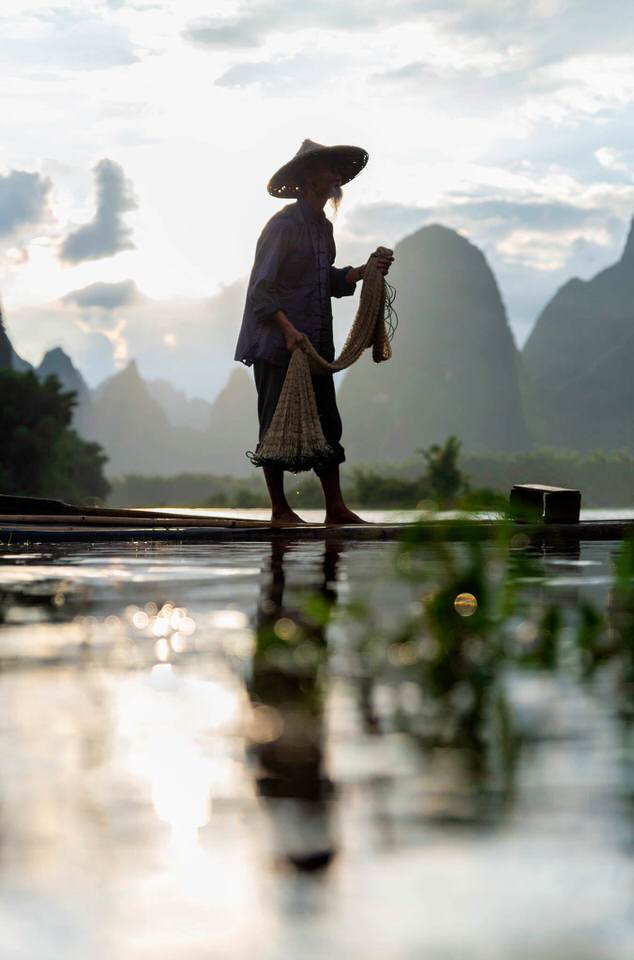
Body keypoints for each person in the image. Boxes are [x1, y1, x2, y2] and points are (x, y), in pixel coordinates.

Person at [234, 139, 394, 526]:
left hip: (316, 343)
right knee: (274, 423)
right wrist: (288, 331)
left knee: (327, 423)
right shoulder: (282, 226)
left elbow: (325, 281)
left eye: (338, 170)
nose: (337, 175)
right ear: (308, 177)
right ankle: (280, 510)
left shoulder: (324, 229)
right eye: (328, 168)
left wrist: (362, 272)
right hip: (278, 344)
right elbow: (261, 290)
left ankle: (335, 508)